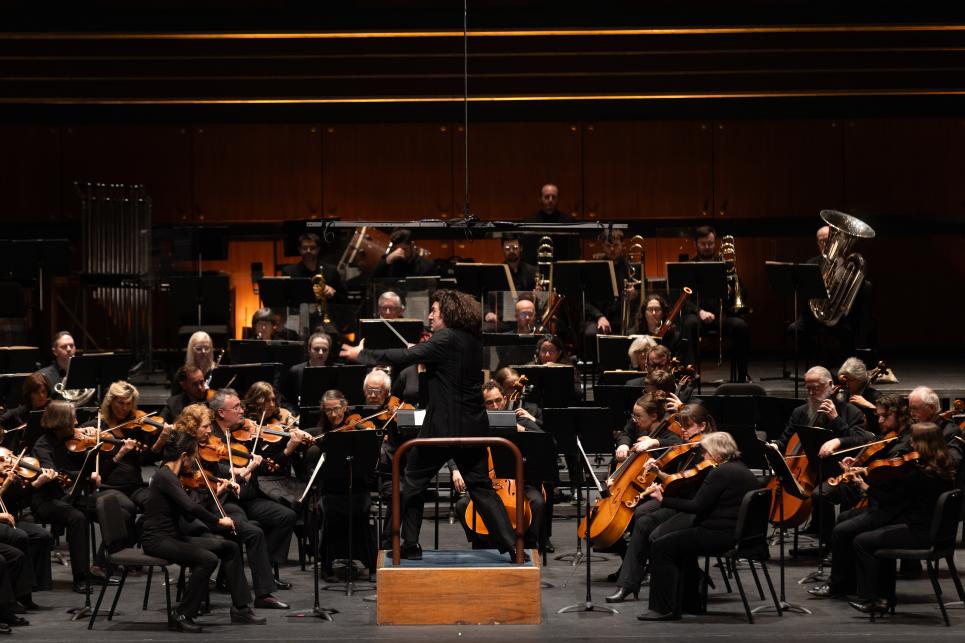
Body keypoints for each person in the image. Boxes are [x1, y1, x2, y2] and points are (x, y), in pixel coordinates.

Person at [340, 289, 522, 561]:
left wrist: (362, 354)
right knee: (482, 488)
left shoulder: (445, 338)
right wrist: (425, 358)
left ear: (447, 313)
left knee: (413, 482)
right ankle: (512, 546)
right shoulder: (473, 341)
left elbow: (401, 357)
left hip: (441, 430)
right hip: (472, 427)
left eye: (434, 311)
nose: (429, 316)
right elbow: (439, 384)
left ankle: (410, 545)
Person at [141, 430, 265, 633]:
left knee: (230, 548)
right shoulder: (165, 477)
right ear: (183, 457)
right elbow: (191, 508)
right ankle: (182, 614)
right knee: (207, 559)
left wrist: (213, 492)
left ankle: (241, 609)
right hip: (158, 540)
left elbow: (188, 513)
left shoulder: (174, 476)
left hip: (173, 536)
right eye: (193, 457)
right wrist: (218, 521)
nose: (195, 462)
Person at [637, 431, 762, 620]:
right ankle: (690, 603)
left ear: (716, 453)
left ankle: (663, 608)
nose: (703, 457)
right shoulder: (741, 469)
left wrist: (664, 499)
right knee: (681, 546)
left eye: (705, 452)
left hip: (720, 534)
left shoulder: (721, 472)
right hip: (739, 535)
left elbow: (696, 506)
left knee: (661, 546)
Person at [606, 403, 715, 603]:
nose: (683, 430)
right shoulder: (687, 446)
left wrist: (663, 480)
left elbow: (691, 483)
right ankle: (632, 581)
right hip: (681, 498)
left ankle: (635, 582)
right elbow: (680, 478)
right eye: (681, 426)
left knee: (644, 520)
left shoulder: (709, 448)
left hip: (694, 506)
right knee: (641, 513)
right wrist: (660, 479)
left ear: (702, 426)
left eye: (688, 426)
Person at [811, 394, 915, 600]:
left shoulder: (905, 443)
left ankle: (839, 585)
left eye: (884, 416)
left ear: (898, 415)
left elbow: (890, 480)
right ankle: (849, 581)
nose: (880, 421)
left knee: (841, 530)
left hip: (894, 507)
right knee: (843, 518)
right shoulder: (891, 435)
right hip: (885, 501)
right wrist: (860, 466)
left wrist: (863, 480)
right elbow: (877, 463)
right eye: (878, 416)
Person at [849, 422, 957, 615]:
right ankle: (884, 598)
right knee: (880, 536)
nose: (911, 444)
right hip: (938, 533)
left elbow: (893, 498)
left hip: (920, 533)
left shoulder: (920, 474)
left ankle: (872, 598)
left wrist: (865, 487)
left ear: (922, 444)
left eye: (914, 440)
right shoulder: (944, 469)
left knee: (862, 541)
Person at [203, 391, 294, 608]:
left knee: (286, 515)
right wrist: (245, 468)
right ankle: (255, 588)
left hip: (248, 497)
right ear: (222, 413)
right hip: (225, 499)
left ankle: (265, 568)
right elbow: (217, 468)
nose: (242, 411)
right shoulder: (209, 438)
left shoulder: (238, 432)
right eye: (236, 407)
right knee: (248, 527)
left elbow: (257, 460)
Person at [775, 366, 869, 545]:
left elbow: (860, 440)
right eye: (807, 388)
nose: (811, 392)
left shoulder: (850, 411)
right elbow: (786, 439)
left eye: (815, 387)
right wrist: (775, 446)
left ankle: (829, 541)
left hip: (839, 470)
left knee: (821, 493)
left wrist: (835, 420)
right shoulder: (800, 412)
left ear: (830, 385)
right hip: (807, 471)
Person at [455, 381, 548, 551]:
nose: (495, 406)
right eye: (489, 402)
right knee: (462, 505)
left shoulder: (521, 420)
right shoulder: (476, 424)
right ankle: (482, 543)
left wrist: (521, 430)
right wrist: (455, 470)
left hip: (520, 484)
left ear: (505, 399)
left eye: (498, 400)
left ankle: (528, 546)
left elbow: (546, 443)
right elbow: (457, 444)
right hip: (488, 484)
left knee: (537, 502)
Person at [29, 401, 94, 594]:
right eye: (73, 418)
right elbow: (56, 476)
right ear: (62, 422)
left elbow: (85, 466)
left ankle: (102, 565)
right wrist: (83, 476)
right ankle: (80, 577)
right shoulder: (43, 445)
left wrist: (89, 449)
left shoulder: (73, 439)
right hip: (45, 500)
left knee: (105, 506)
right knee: (78, 518)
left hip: (67, 497)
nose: (76, 422)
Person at [678, 226, 751, 382]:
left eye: (710, 243)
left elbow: (743, 293)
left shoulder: (726, 264)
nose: (707, 247)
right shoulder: (689, 267)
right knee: (688, 324)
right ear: (696, 243)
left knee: (741, 326)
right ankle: (689, 375)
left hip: (722, 316)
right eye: (703, 243)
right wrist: (699, 312)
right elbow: (683, 299)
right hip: (699, 317)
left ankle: (742, 376)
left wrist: (732, 290)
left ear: (715, 242)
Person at [281, 232, 345, 299]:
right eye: (304, 248)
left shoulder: (331, 271)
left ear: (318, 249)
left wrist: (333, 292)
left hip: (326, 309)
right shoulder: (289, 272)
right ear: (299, 249)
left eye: (312, 248)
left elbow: (344, 297)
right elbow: (284, 297)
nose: (308, 251)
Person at [285, 332, 333, 409]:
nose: (321, 353)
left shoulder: (334, 371)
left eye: (324, 350)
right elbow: (286, 400)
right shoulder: (296, 371)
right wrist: (294, 414)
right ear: (309, 349)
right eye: (316, 349)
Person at [837, 357, 882, 431]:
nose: (846, 384)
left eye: (850, 380)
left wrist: (869, 405)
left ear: (859, 379)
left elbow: (887, 418)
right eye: (845, 380)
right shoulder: (844, 394)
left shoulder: (875, 396)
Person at [371, 228, 436, 280]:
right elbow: (372, 281)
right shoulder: (389, 262)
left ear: (412, 245)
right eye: (396, 249)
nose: (400, 253)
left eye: (404, 249)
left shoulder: (427, 266)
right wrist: (387, 260)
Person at [37, 331, 76, 399]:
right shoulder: (43, 376)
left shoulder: (83, 373)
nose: (69, 349)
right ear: (55, 351)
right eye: (64, 346)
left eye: (71, 345)